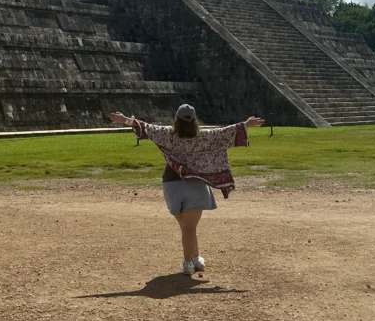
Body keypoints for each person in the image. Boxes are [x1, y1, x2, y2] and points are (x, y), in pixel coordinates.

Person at [110, 104, 265, 275]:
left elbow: (145, 127)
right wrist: (246, 124)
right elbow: (225, 132)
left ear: (175, 120)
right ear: (195, 121)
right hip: (196, 184)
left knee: (186, 227)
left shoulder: (167, 134)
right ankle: (188, 262)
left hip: (172, 185)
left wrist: (124, 119)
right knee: (189, 227)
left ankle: (196, 258)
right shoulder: (203, 137)